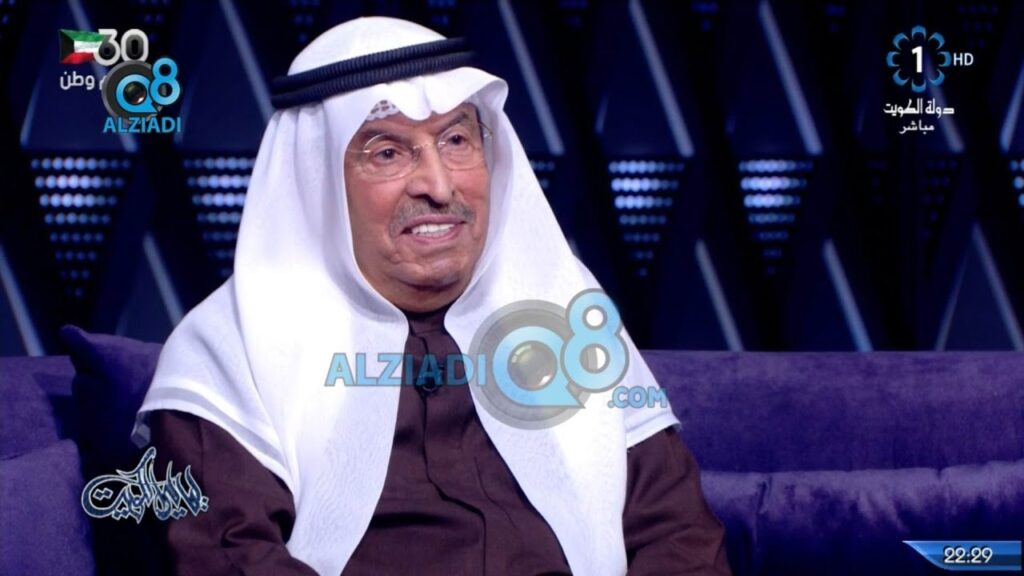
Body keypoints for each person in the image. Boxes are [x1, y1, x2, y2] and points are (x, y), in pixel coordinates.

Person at [133, 16, 730, 576]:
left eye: (456, 140)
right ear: (318, 180)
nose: (439, 186)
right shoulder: (229, 346)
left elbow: (677, 533)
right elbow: (229, 557)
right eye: (387, 153)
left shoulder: (558, 303)